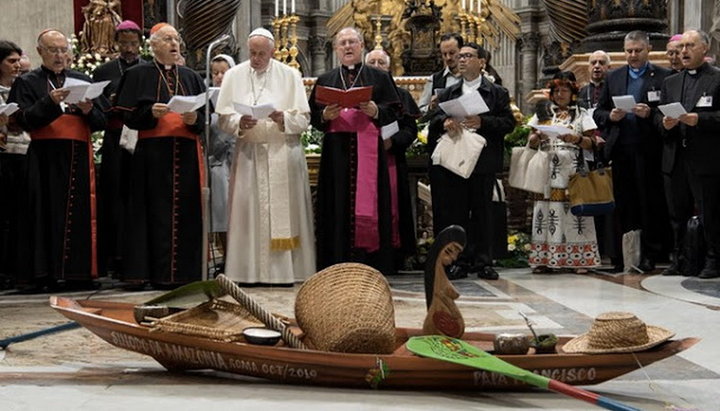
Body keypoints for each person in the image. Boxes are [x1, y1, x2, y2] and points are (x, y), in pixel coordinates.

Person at [8, 29, 107, 290]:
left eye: (64, 50)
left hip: (78, 157)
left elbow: (101, 122)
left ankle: (79, 274)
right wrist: (49, 102)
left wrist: (88, 110)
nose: (60, 56)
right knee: (43, 215)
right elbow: (22, 120)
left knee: (81, 215)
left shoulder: (81, 79)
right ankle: (45, 274)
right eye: (53, 50)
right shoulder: (27, 83)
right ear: (40, 51)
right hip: (44, 159)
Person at [215, 28, 315, 286]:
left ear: (272, 52)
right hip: (249, 154)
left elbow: (304, 119)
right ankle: (246, 272)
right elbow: (224, 117)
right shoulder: (234, 75)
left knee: (285, 214)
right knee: (247, 214)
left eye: (262, 54)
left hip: (283, 151)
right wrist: (239, 122)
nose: (256, 58)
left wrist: (284, 118)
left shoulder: (290, 75)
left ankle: (286, 273)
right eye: (252, 53)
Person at [114, 23, 206, 287]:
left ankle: (186, 274)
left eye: (176, 38)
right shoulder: (137, 74)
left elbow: (205, 118)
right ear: (153, 45)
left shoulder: (191, 76)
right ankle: (151, 273)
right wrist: (149, 114)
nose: (174, 43)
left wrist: (194, 118)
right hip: (152, 158)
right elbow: (127, 116)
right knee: (151, 214)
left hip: (186, 155)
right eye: (167, 39)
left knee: (186, 214)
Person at [308, 27, 403, 275]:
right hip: (336, 154)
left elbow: (394, 112)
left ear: (362, 46)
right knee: (335, 202)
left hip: (369, 150)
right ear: (336, 49)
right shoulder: (325, 79)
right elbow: (313, 117)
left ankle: (372, 260)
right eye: (343, 43)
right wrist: (324, 115)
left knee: (372, 202)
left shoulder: (379, 77)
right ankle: (335, 259)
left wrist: (376, 111)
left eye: (352, 42)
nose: (348, 47)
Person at [426, 42, 515, 280]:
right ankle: (460, 261)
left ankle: (484, 261)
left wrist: (483, 122)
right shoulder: (449, 92)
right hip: (456, 160)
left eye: (468, 56)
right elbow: (432, 120)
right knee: (457, 213)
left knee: (483, 212)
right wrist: (444, 122)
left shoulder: (497, 93)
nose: (462, 59)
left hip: (483, 161)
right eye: (461, 56)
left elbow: (508, 123)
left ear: (481, 62)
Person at [593, 30, 672, 273]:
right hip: (621, 149)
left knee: (649, 202)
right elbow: (599, 112)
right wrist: (611, 116)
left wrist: (650, 114)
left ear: (647, 49)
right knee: (624, 203)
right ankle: (624, 255)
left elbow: (668, 111)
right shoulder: (614, 76)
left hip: (649, 148)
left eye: (638, 50)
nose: (633, 55)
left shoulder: (663, 76)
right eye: (629, 51)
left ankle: (649, 253)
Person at [525, 72, 602, 273]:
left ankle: (579, 261)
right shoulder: (543, 114)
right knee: (546, 213)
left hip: (572, 170)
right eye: (556, 90)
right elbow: (531, 140)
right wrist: (536, 138)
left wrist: (575, 139)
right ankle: (545, 259)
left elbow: (592, 143)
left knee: (574, 214)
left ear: (572, 93)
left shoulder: (581, 114)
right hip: (547, 170)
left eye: (564, 90)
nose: (560, 94)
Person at [659, 29, 719, 279]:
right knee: (676, 212)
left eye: (690, 46)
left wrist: (700, 120)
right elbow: (657, 117)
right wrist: (663, 124)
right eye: (682, 46)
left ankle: (713, 260)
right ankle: (678, 259)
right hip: (675, 157)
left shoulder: (717, 79)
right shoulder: (670, 82)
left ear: (704, 49)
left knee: (710, 212)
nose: (684, 51)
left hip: (705, 158)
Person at [92, 20, 147, 276]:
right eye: (124, 43)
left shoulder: (148, 69)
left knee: (138, 195)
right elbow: (97, 103)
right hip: (115, 139)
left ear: (140, 44)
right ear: (117, 43)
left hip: (141, 138)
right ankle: (114, 256)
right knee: (114, 195)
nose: (129, 49)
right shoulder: (104, 71)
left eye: (133, 43)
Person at [365, 49, 419, 267]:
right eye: (372, 62)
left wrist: (393, 142)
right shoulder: (357, 94)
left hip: (391, 161)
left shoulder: (401, 95)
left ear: (389, 67)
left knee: (393, 209)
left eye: (381, 62)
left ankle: (393, 254)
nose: (376, 65)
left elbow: (410, 130)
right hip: (363, 163)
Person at [0, 40, 30, 287]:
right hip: (3, 155)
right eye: (11, 61)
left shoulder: (24, 87)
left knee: (21, 215)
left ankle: (17, 268)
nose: (17, 65)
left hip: (23, 153)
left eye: (19, 60)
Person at [207, 54, 235, 270]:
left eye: (223, 72)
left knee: (239, 213)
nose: (218, 77)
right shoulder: (207, 98)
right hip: (217, 162)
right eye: (214, 73)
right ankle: (226, 258)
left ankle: (240, 258)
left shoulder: (240, 94)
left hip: (238, 161)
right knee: (221, 214)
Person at [417, 33, 463, 114]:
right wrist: (431, 107)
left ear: (461, 51)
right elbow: (421, 110)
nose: (448, 58)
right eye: (444, 54)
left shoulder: (473, 76)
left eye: (452, 53)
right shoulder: (435, 79)